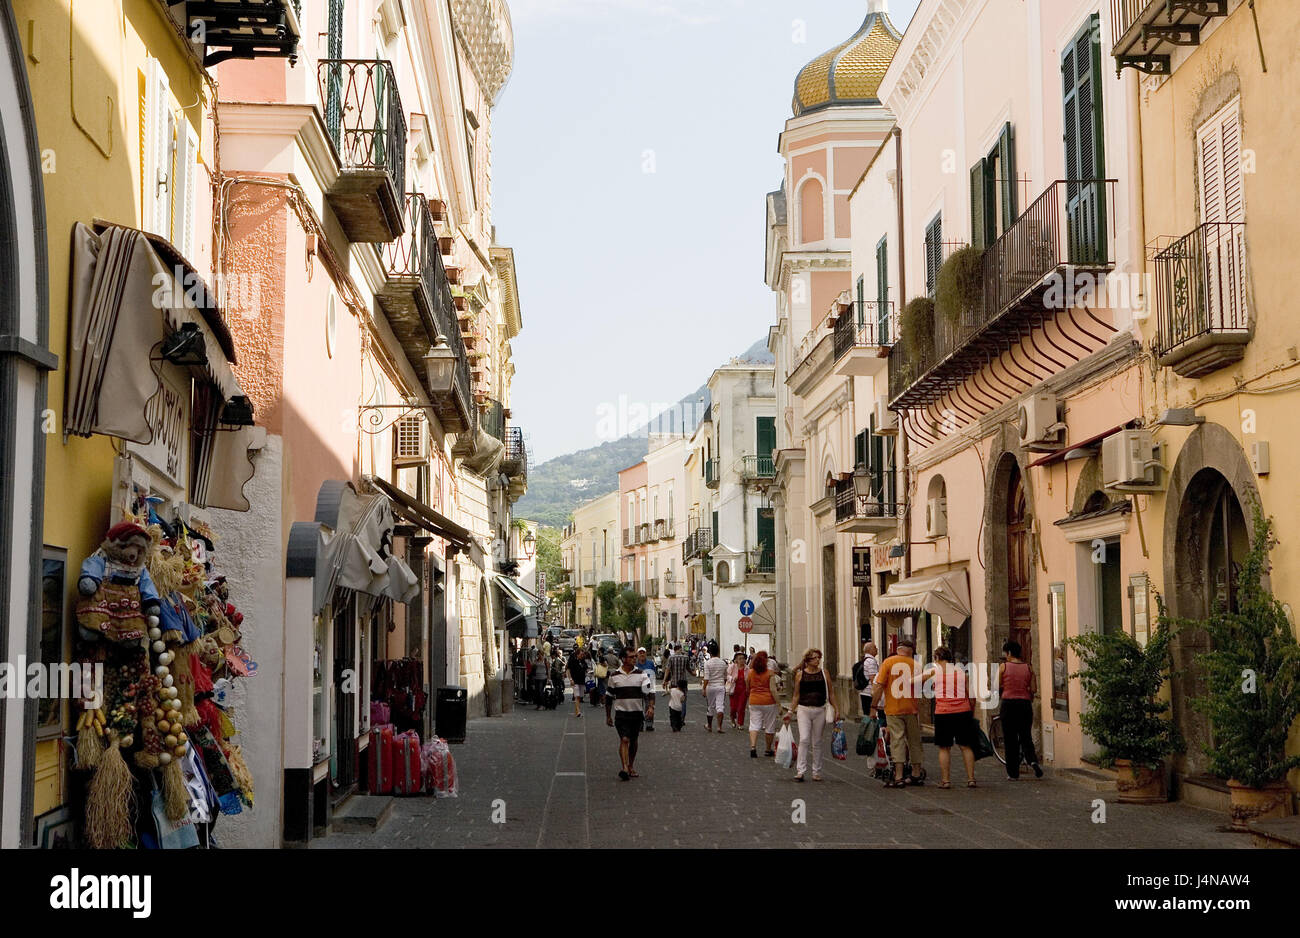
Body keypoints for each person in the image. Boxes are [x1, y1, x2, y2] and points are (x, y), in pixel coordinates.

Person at [870, 636, 924, 788]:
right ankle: (916, 773)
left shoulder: (888, 662)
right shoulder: (916, 665)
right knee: (914, 740)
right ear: (910, 652)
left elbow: (879, 686)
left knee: (897, 740)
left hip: (893, 709)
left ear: (898, 650)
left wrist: (873, 707)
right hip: (911, 708)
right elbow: (920, 689)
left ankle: (899, 776)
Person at [924, 646, 977, 788]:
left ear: (937, 658)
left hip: (943, 712)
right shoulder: (962, 673)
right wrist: (972, 710)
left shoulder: (935, 673)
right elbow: (971, 695)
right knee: (965, 746)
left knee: (944, 748)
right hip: (963, 711)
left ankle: (946, 781)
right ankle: (971, 779)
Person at [788, 648, 839, 781]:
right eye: (814, 658)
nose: (817, 660)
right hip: (804, 709)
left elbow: (831, 692)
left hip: (820, 709)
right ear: (807, 660)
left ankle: (816, 771)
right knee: (804, 739)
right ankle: (800, 770)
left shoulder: (824, 673)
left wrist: (836, 709)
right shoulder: (800, 675)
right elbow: (796, 695)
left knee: (817, 741)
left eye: (818, 658)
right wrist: (789, 711)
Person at [606, 647, 653, 780]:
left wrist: (651, 707)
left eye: (635, 656)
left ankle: (630, 765)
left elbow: (649, 692)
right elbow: (609, 696)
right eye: (631, 657)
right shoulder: (614, 676)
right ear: (623, 659)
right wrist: (608, 716)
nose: (634, 658)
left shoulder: (641, 674)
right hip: (621, 714)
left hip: (636, 713)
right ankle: (625, 768)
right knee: (624, 739)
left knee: (633, 741)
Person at [999, 641, 1043, 779]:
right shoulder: (1028, 668)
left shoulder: (1004, 667)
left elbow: (998, 685)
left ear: (1010, 653)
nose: (1005, 656)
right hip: (1024, 705)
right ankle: (1033, 761)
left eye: (1006, 653)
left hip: (1009, 705)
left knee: (1010, 739)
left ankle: (1013, 773)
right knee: (1025, 736)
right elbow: (1034, 689)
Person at [746, 651, 781, 758]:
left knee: (754, 725)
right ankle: (768, 749)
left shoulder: (750, 672)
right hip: (769, 702)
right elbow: (773, 690)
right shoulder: (770, 673)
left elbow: (748, 687)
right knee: (770, 726)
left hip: (754, 701)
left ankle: (753, 747)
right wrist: (779, 704)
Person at [700, 640, 730, 732]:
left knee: (710, 706)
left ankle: (709, 726)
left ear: (710, 652)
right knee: (720, 706)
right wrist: (723, 684)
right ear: (718, 651)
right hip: (720, 686)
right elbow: (725, 677)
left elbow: (706, 678)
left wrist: (704, 688)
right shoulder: (723, 663)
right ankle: (719, 727)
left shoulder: (707, 663)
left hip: (711, 686)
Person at [663, 643, 692, 723]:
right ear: (680, 649)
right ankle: (682, 718)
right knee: (683, 700)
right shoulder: (685, 658)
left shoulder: (671, 658)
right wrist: (693, 673)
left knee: (674, 700)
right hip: (683, 683)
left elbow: (667, 670)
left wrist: (664, 680)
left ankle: (675, 717)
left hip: (674, 683)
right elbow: (688, 669)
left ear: (674, 650)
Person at [853, 641, 880, 717]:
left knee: (867, 715)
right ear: (870, 650)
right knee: (872, 716)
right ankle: (868, 729)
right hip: (870, 693)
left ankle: (867, 728)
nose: (877, 649)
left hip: (864, 692)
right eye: (875, 647)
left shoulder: (864, 660)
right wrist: (876, 693)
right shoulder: (871, 662)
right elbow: (873, 678)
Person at [634, 647, 658, 732]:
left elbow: (653, 674)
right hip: (638, 688)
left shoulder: (650, 663)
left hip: (648, 687)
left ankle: (649, 725)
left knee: (649, 706)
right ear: (637, 654)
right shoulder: (635, 664)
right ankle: (640, 725)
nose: (642, 654)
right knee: (638, 708)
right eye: (640, 653)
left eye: (643, 652)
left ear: (645, 653)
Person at [726, 651, 748, 729]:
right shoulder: (732, 667)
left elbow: (749, 678)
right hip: (734, 690)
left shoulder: (747, 668)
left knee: (741, 707)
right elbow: (727, 675)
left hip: (743, 690)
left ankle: (740, 723)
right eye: (740, 658)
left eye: (743, 658)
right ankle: (732, 719)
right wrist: (732, 678)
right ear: (736, 660)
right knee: (733, 708)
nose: (742, 660)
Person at [567, 647, 589, 717]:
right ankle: (578, 711)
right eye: (581, 654)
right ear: (577, 654)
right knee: (577, 696)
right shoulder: (572, 660)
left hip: (582, 680)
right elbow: (568, 670)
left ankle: (577, 711)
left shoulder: (583, 661)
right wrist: (570, 679)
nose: (582, 656)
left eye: (583, 654)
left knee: (580, 697)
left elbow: (586, 669)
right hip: (575, 680)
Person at [530, 642, 550, 710]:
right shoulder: (536, 660)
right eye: (538, 655)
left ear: (542, 655)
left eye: (540, 655)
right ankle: (538, 705)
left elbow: (548, 669)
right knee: (537, 692)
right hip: (536, 677)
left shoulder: (545, 661)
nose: (539, 656)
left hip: (543, 678)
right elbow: (532, 666)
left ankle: (542, 705)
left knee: (540, 691)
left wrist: (548, 678)